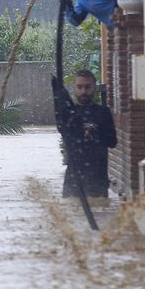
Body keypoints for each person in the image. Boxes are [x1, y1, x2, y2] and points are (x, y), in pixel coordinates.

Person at [52, 68, 118, 199]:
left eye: (87, 87)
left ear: (94, 88)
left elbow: (112, 142)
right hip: (74, 180)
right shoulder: (69, 114)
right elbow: (63, 128)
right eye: (80, 87)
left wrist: (96, 131)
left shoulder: (103, 112)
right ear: (74, 88)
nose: (83, 92)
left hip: (97, 181)